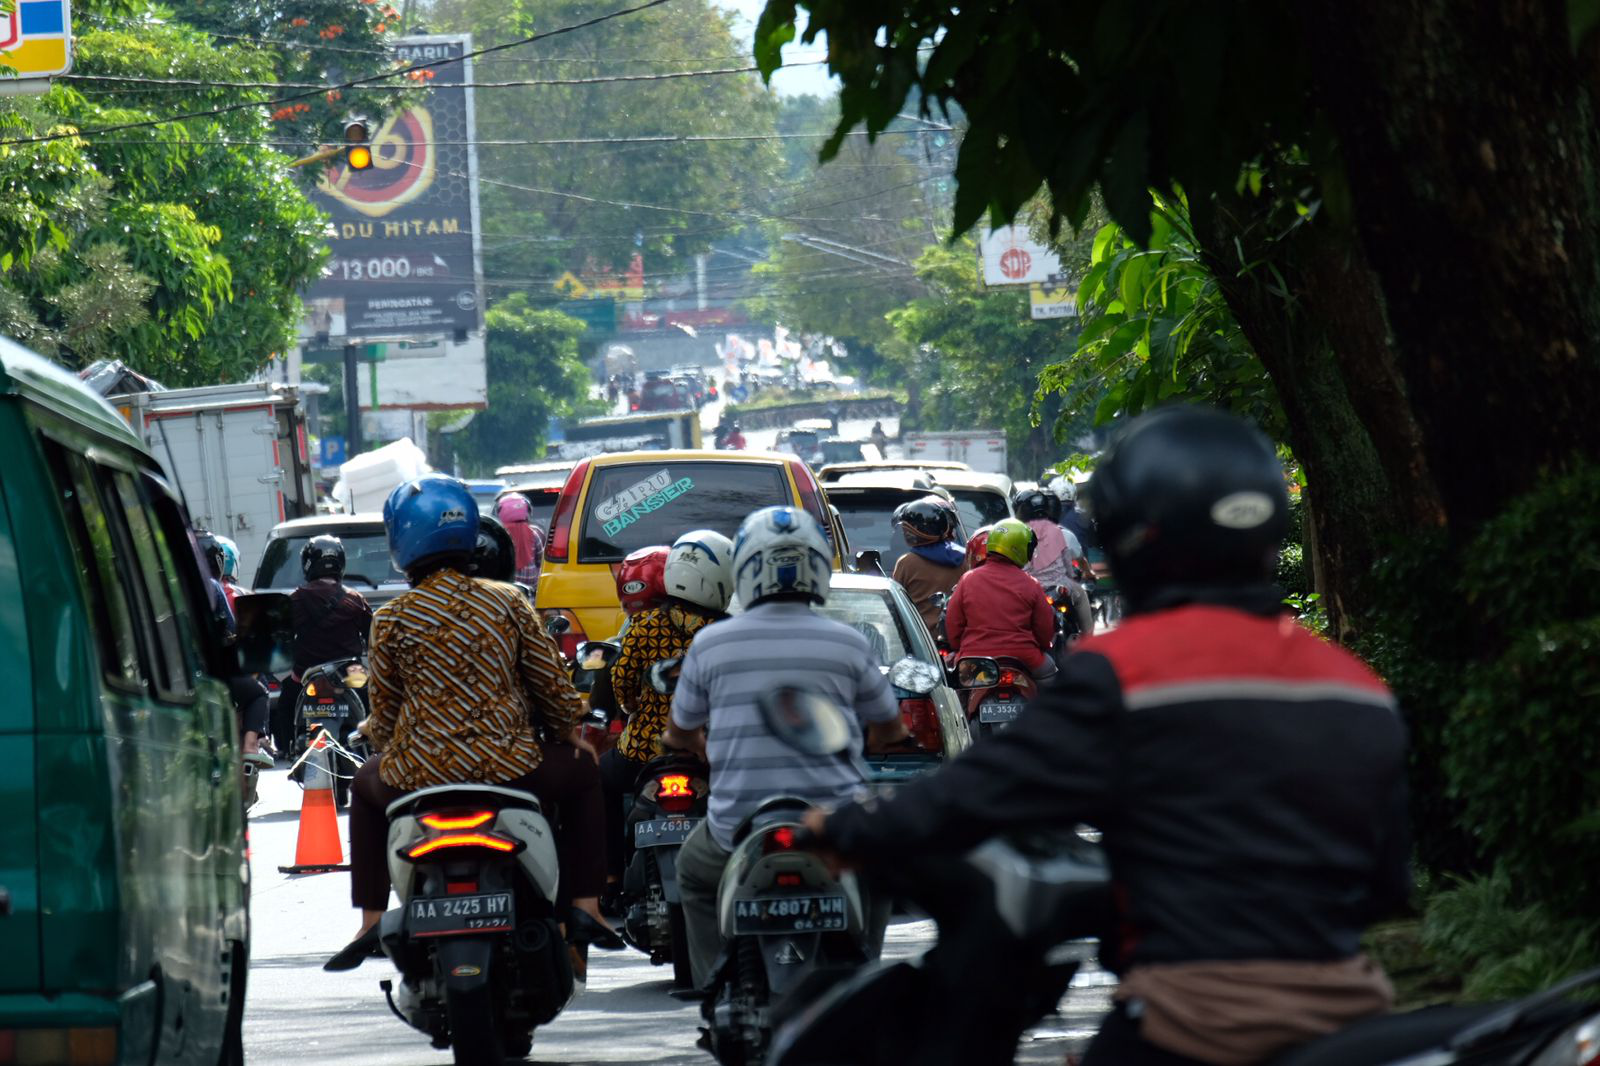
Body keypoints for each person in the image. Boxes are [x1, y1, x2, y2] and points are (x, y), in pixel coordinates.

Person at [802, 406, 1409, 1066]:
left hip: (1195, 1023)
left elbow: (982, 791)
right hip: (1355, 1014)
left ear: (1128, 535)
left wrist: (850, 830)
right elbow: (1385, 883)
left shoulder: (1129, 672)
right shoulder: (1357, 687)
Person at [326, 475, 621, 972]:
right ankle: (587, 907)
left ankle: (373, 920)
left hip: (418, 773)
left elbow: (387, 709)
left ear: (401, 540)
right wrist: (572, 734)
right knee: (585, 774)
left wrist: (381, 739)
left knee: (364, 783)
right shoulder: (507, 601)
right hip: (512, 767)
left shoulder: (393, 617)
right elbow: (549, 684)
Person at [662, 506, 910, 990]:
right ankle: (863, 971)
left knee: (691, 874)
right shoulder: (849, 642)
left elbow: (679, 732)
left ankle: (714, 985)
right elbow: (888, 729)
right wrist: (871, 742)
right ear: (817, 565)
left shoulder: (710, 644)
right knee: (882, 865)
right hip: (835, 823)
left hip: (737, 828)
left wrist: (700, 745)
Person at [598, 530, 734, 891]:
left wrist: (632, 709)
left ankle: (611, 876)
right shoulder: (727, 632)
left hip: (644, 752)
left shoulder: (643, 627)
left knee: (602, 782)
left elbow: (622, 683)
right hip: (712, 752)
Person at [272, 535, 373, 755]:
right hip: (351, 674)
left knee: (286, 702)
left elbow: (280, 641)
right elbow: (373, 640)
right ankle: (374, 745)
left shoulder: (294, 600)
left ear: (307, 564)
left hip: (307, 675)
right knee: (371, 698)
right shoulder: (356, 599)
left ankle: (288, 749)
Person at [945, 517, 1057, 679]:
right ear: (1019, 548)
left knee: (958, 695)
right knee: (1050, 674)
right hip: (1025, 658)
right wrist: (1043, 646)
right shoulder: (1030, 584)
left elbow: (954, 625)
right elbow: (1045, 630)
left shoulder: (968, 579)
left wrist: (959, 648)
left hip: (974, 660)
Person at [1015, 487, 1094, 637]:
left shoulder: (1017, 534)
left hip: (1026, 588)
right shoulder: (1064, 534)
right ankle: (1089, 640)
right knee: (1081, 595)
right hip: (1058, 587)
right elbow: (1080, 560)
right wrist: (1089, 573)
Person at [890, 497, 967, 633]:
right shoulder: (965, 558)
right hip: (955, 637)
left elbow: (895, 606)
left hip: (921, 640)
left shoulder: (906, 563)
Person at [494, 494, 544, 586]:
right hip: (531, 590)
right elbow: (541, 562)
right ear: (527, 510)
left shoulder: (497, 534)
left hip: (505, 589)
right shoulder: (535, 533)